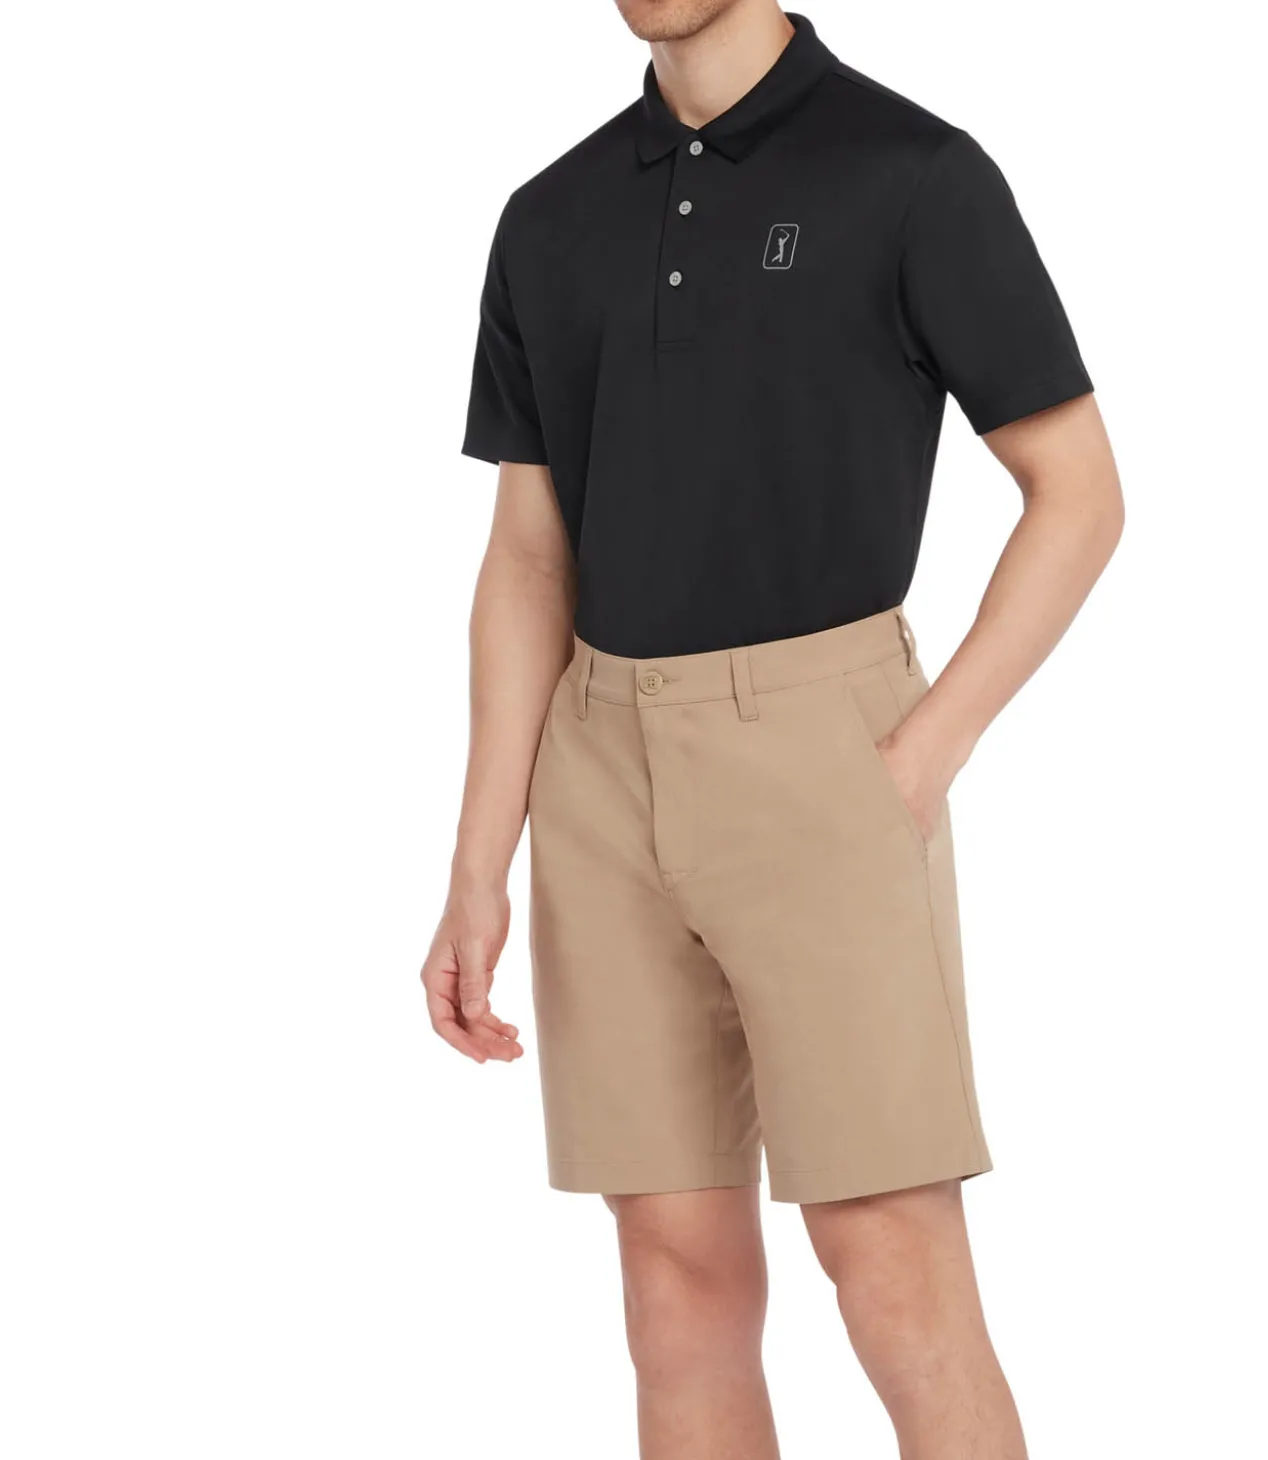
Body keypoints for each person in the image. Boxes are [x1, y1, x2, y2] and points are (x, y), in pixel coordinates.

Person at [420, 3, 1123, 1455]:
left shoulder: (911, 173)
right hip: (600, 768)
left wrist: (921, 755)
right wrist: (480, 864)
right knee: (674, 1283)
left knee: (892, 1268)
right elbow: (529, 559)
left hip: (826, 756)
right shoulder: (549, 215)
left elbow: (1079, 491)